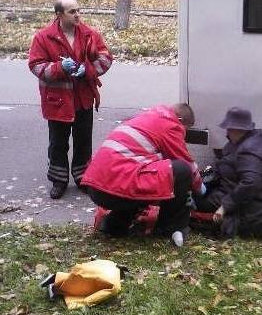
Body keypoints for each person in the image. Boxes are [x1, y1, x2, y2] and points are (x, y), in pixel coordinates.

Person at [81, 103, 204, 246]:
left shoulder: (149, 118)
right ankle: (172, 228)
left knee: (146, 175)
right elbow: (186, 162)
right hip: (116, 186)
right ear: (181, 120)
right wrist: (200, 188)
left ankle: (114, 224)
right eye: (186, 130)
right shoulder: (171, 125)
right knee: (181, 170)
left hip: (97, 186)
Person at [28, 0, 113, 199]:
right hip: (57, 102)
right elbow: (36, 66)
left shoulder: (89, 34)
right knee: (58, 143)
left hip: (83, 99)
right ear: (59, 14)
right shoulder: (43, 37)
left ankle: (83, 177)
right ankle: (59, 180)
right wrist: (59, 68)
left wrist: (88, 69)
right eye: (71, 11)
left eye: (78, 10)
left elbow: (106, 57)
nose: (77, 15)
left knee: (83, 141)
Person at [196, 107, 262, 238]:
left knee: (195, 202)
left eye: (229, 128)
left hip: (248, 202)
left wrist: (225, 206)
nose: (227, 131)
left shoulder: (249, 150)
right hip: (230, 188)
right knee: (197, 193)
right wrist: (203, 174)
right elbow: (224, 163)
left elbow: (251, 183)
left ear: (238, 129)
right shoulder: (244, 141)